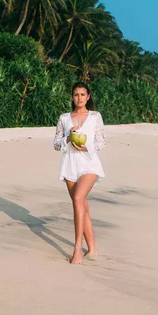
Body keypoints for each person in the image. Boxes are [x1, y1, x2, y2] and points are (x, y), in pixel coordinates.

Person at [53, 81, 106, 265]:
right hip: (70, 164)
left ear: (88, 97)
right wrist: (68, 136)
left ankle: (77, 248)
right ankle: (92, 249)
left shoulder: (95, 116)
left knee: (77, 199)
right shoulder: (64, 118)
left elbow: (101, 142)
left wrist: (85, 147)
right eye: (76, 95)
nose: (79, 98)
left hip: (89, 163)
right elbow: (56, 144)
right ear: (72, 97)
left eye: (83, 95)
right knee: (81, 204)